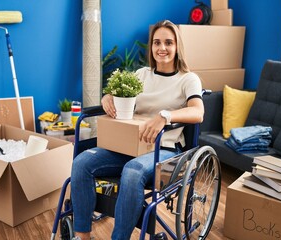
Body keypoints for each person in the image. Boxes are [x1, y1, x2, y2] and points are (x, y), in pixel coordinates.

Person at [71, 19, 204, 240]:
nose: (162, 48)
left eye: (168, 43)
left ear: (177, 46)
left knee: (132, 172)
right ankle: (82, 234)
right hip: (131, 145)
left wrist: (165, 115)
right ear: (151, 47)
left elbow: (197, 112)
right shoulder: (142, 75)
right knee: (81, 163)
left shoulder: (188, 79)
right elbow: (118, 95)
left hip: (166, 149)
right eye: (157, 42)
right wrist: (108, 97)